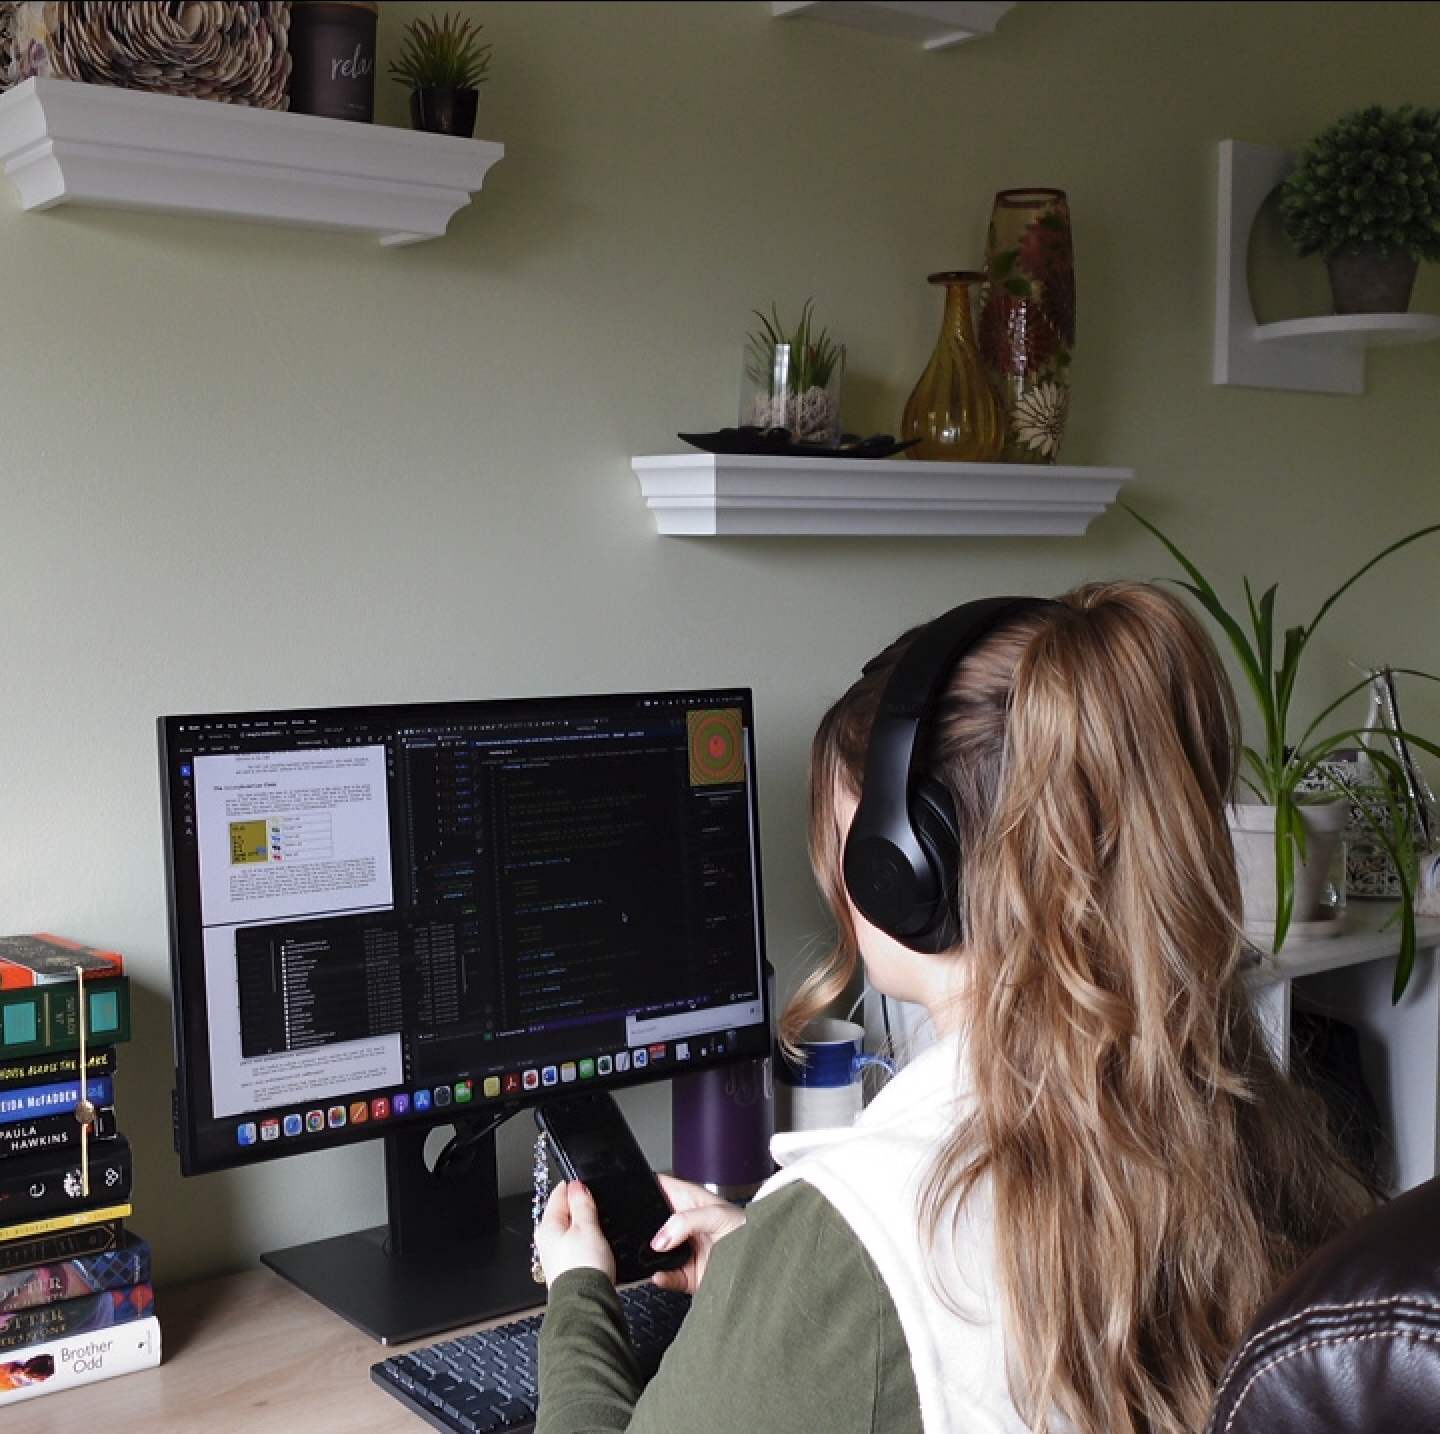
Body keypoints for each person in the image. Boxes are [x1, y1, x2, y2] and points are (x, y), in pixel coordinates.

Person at [534, 581, 1375, 1434]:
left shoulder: (857, 1231)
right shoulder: (1244, 1118)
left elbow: (891, 1281)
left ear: (906, 867)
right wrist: (775, 1288)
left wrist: (578, 1295)